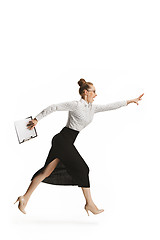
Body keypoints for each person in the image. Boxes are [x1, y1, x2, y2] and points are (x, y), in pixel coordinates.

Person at [14, 79, 144, 216]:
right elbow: (54, 107)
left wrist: (130, 101)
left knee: (46, 172)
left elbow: (110, 106)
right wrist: (37, 119)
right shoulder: (76, 105)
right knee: (83, 169)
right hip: (62, 141)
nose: (96, 95)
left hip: (66, 142)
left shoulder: (92, 108)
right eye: (94, 92)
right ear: (85, 92)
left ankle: (24, 198)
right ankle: (89, 203)